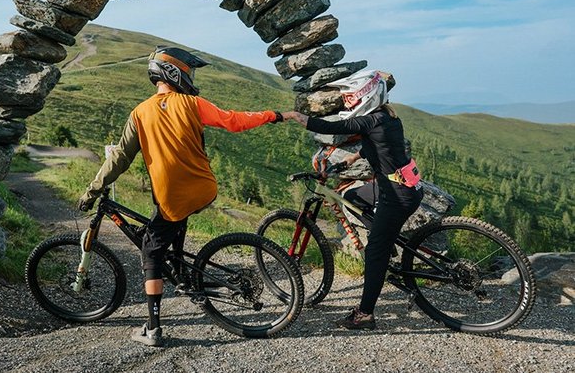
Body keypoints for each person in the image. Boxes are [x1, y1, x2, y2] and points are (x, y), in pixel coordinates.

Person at [76, 46, 283, 346]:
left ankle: (153, 329)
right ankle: (184, 275)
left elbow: (120, 157)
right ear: (175, 73)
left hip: (173, 196)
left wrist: (93, 189)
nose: (192, 77)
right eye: (190, 72)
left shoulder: (140, 113)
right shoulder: (191, 103)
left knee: (151, 253)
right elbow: (235, 120)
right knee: (168, 224)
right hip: (203, 190)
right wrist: (272, 115)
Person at [281, 69, 423, 330]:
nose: (347, 102)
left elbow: (333, 127)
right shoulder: (387, 117)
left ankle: (365, 315)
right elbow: (376, 146)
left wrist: (296, 116)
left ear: (365, 95)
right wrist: (351, 159)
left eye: (350, 97)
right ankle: (385, 237)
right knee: (351, 194)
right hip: (404, 187)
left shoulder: (369, 121)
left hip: (397, 196)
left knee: (374, 252)